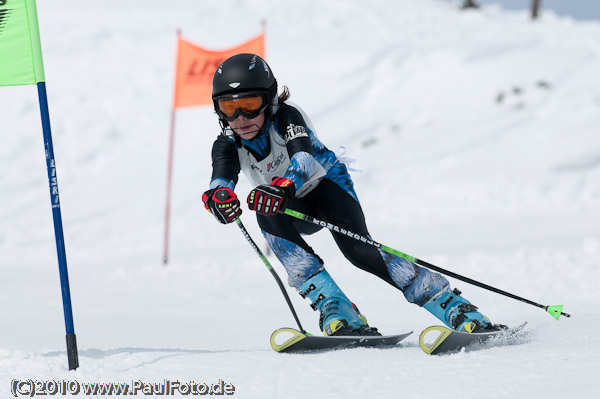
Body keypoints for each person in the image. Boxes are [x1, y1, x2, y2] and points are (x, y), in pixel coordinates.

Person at [202, 53, 501, 336]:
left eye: (250, 105)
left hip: (327, 189)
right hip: (290, 203)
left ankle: (454, 306)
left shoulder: (287, 118)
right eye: (228, 108)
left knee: (359, 251)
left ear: (269, 100)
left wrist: (282, 187)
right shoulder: (227, 143)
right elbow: (221, 180)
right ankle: (337, 308)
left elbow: (304, 162)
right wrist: (219, 199)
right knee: (263, 210)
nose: (240, 118)